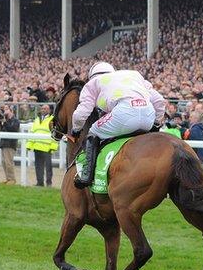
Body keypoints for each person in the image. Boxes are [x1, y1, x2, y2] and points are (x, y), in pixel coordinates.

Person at [70, 61, 167, 189]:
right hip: (148, 114)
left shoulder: (93, 83)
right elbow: (159, 101)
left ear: (91, 76)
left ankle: (86, 175)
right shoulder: (134, 75)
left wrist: (76, 129)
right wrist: (156, 122)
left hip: (123, 114)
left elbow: (81, 113)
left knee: (93, 131)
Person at [28, 104, 57, 186]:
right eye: (42, 108)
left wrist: (53, 147)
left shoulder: (52, 120)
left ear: (49, 110)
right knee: (38, 166)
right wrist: (29, 145)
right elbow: (33, 132)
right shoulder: (37, 120)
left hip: (47, 147)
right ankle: (39, 182)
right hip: (37, 146)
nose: (43, 110)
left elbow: (54, 134)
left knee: (48, 167)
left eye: (45, 108)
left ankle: (49, 183)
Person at [0, 106, 20, 184]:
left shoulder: (15, 120)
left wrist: (5, 122)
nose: (5, 111)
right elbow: (0, 129)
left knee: (8, 162)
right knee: (4, 162)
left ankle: (12, 179)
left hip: (10, 144)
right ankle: (8, 178)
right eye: (5, 110)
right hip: (3, 143)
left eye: (7, 109)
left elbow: (12, 129)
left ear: (11, 111)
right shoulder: (5, 120)